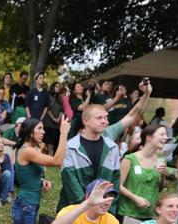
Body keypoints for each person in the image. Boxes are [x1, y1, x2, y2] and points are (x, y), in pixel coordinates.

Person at [58, 80, 153, 214]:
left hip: (103, 211)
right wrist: (85, 210)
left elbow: (133, 115)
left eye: (106, 117)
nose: (105, 121)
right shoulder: (72, 146)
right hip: (75, 211)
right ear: (86, 121)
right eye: (99, 118)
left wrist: (147, 94)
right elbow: (71, 182)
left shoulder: (109, 138)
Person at [117, 124, 169, 224]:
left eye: (166, 135)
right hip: (129, 214)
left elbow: (160, 187)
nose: (166, 137)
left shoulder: (161, 160)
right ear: (149, 137)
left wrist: (162, 175)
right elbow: (117, 185)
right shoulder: (130, 159)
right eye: (162, 134)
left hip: (149, 216)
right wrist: (135, 198)